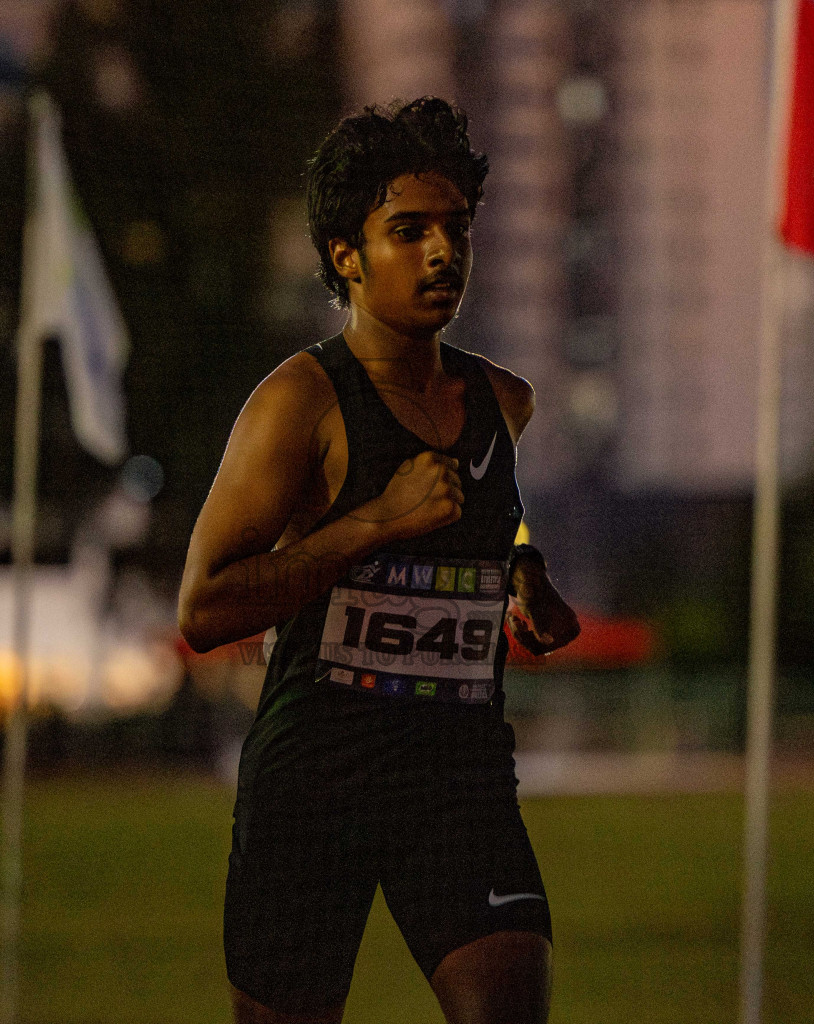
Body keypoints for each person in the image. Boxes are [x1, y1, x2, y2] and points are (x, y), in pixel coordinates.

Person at [178, 97, 581, 1024]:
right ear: (346, 257)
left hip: (458, 778)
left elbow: (491, 521)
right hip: (315, 782)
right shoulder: (299, 404)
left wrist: (522, 572)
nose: (443, 254)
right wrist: (372, 525)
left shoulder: (503, 402)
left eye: (456, 230)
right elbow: (204, 609)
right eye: (409, 232)